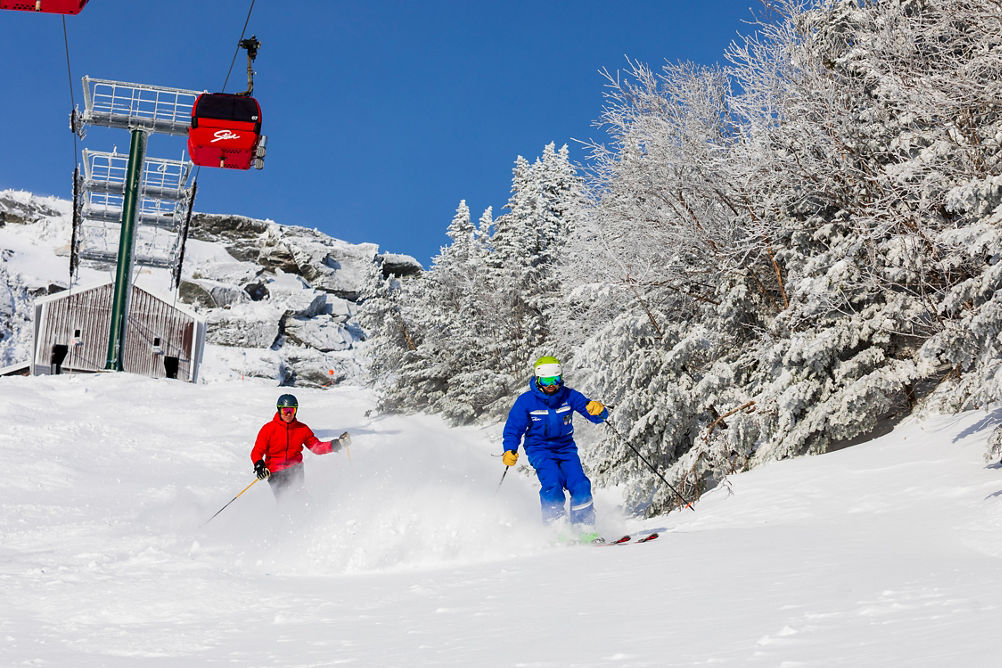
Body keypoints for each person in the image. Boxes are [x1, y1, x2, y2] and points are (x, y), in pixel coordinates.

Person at [501, 356, 608, 534]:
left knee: (580, 483)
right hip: (539, 449)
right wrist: (509, 449)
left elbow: (595, 415)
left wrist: (599, 410)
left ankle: (584, 527)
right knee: (553, 484)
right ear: (538, 379)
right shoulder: (526, 401)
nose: (552, 385)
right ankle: (556, 529)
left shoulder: (569, 396)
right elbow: (513, 428)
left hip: (566, 448)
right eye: (547, 380)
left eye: (555, 380)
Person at [251, 393, 350, 500]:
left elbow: (317, 448)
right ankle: (284, 515)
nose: (288, 414)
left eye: (291, 410)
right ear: (279, 410)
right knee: (285, 499)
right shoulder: (268, 429)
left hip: (295, 470)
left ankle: (309, 514)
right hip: (275, 472)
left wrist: (338, 444)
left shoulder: (302, 429)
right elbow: (256, 452)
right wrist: (259, 466)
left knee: (300, 498)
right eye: (285, 411)